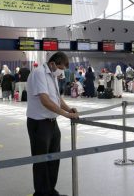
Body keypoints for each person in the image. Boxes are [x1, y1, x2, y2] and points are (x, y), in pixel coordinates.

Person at [26, 52, 79, 196]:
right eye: (61, 68)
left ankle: (50, 191)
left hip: (52, 123)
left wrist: (69, 109)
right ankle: (42, 193)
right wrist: (67, 115)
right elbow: (45, 100)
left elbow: (56, 98)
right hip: (39, 123)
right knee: (41, 161)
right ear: (53, 63)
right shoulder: (39, 73)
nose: (61, 71)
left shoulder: (52, 75)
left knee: (54, 159)